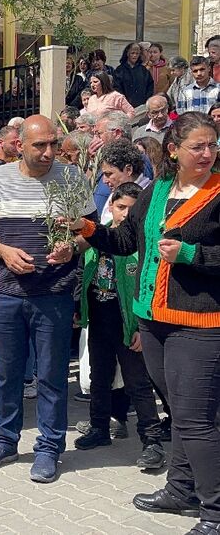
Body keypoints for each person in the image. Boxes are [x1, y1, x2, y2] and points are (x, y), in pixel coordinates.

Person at [67, 112, 220, 534]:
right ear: (173, 150)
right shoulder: (157, 190)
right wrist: (87, 227)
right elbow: (125, 241)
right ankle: (181, 489)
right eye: (197, 146)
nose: (207, 153)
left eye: (212, 145)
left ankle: (214, 510)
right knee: (179, 410)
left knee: (196, 419)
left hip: (199, 323)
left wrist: (191, 255)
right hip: (151, 320)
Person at [0, 115, 96, 483]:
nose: (49, 152)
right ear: (19, 145)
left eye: (53, 143)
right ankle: (4, 441)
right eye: (40, 145)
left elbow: (91, 230)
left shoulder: (71, 178)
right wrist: (3, 251)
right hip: (7, 294)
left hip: (53, 295)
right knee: (7, 374)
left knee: (52, 376)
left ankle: (49, 448)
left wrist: (72, 246)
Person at [73, 182, 166, 470]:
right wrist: (79, 308)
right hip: (100, 319)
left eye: (132, 209)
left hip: (129, 325)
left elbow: (148, 288)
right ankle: (99, 428)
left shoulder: (140, 245)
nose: (125, 214)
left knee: (138, 383)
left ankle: (152, 441)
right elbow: (82, 275)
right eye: (120, 206)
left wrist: (141, 327)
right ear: (111, 206)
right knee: (99, 376)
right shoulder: (98, 239)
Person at [96, 139, 152, 222]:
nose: (104, 181)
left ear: (128, 170)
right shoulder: (117, 190)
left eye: (109, 174)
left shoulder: (148, 196)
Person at [114, 42, 154, 109]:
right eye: (132, 53)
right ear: (127, 54)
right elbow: (117, 88)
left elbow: (150, 86)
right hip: (124, 106)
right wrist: (124, 102)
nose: (134, 55)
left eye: (137, 53)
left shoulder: (144, 70)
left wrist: (146, 100)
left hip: (142, 106)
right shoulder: (120, 70)